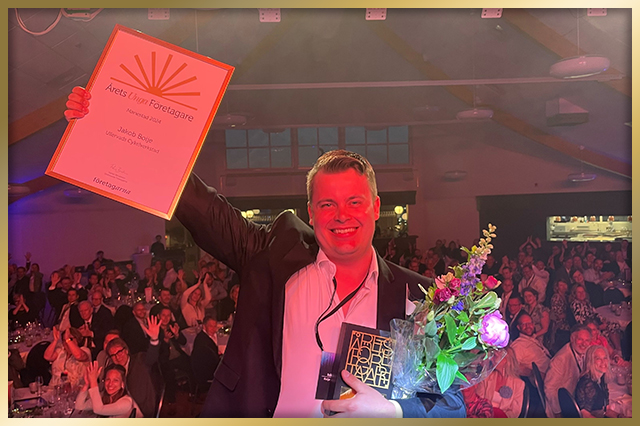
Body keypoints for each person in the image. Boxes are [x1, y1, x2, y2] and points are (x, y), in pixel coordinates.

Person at [65, 89, 465, 418]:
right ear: (311, 213)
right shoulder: (275, 254)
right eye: (327, 204)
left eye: (355, 202)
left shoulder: (422, 296)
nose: (342, 215)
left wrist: (396, 410)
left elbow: (451, 404)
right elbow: (199, 205)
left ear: (376, 207)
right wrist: (108, 124)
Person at [105, 317, 161, 418]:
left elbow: (152, 357)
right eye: (113, 355)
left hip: (143, 412)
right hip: (124, 410)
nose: (118, 357)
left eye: (120, 352)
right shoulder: (115, 370)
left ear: (126, 350)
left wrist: (154, 339)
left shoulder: (140, 360)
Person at [543, 325, 592, 417]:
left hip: (578, 399)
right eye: (580, 339)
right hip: (563, 408)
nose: (584, 344)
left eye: (587, 340)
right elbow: (549, 389)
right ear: (572, 338)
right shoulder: (561, 359)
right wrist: (558, 413)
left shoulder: (584, 350)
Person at [463, 347, 525, 418]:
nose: (491, 359)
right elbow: (479, 401)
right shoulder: (487, 377)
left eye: (495, 356)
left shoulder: (519, 384)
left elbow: (515, 412)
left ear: (505, 360)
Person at [75, 362, 143, 417]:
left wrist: (93, 381)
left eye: (115, 380)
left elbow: (98, 409)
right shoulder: (103, 397)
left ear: (122, 384)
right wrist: (87, 384)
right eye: (108, 379)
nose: (110, 384)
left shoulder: (126, 402)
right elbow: (79, 407)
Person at [574, 345, 624, 418]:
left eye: (605, 358)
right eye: (598, 359)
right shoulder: (587, 383)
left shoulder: (601, 378)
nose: (603, 362)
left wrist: (621, 417)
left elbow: (606, 410)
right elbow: (585, 415)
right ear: (590, 361)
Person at [510, 313, 551, 379]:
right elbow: (512, 366)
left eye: (529, 323)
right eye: (524, 324)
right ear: (518, 327)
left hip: (554, 371)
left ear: (533, 324)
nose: (528, 326)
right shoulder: (518, 345)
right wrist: (535, 374)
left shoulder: (532, 339)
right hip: (546, 379)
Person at [191, 316, 221, 391]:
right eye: (210, 326)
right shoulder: (204, 341)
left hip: (207, 367)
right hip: (205, 373)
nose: (213, 329)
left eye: (215, 326)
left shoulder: (205, 336)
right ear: (204, 326)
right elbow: (212, 361)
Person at [548, 279, 572, 354]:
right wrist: (567, 314)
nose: (563, 286)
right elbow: (558, 315)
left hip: (568, 322)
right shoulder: (556, 297)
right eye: (561, 285)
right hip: (560, 325)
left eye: (564, 284)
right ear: (557, 287)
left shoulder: (567, 296)